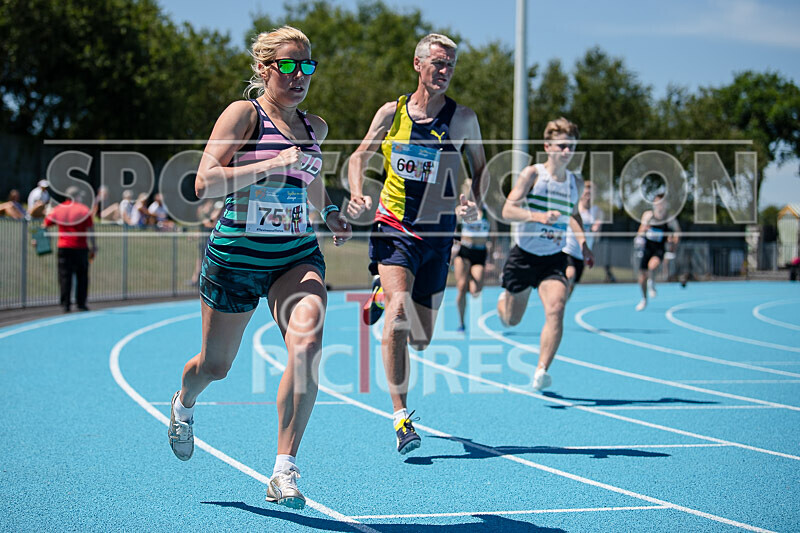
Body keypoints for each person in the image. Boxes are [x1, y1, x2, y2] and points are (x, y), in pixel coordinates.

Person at [167, 26, 350, 511]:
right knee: (215, 366)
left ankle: (283, 469)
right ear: (266, 68)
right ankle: (184, 402)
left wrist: (330, 211)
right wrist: (270, 164)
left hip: (295, 255)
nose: (298, 75)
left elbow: (310, 177)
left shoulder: (315, 128)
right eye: (287, 65)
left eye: (306, 66)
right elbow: (204, 182)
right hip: (237, 259)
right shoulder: (244, 115)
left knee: (307, 345)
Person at [347, 33, 487, 455]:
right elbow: (358, 156)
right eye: (438, 63)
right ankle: (401, 417)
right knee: (398, 314)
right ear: (418, 64)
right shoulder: (392, 113)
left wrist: (474, 202)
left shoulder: (463, 119)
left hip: (439, 234)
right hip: (395, 226)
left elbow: (481, 169)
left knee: (421, 337)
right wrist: (358, 192)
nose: (445, 71)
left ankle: (380, 291)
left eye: (450, 65)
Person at [496, 117, 593, 391]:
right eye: (562, 146)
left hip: (553, 257)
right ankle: (504, 301)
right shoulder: (533, 174)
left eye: (571, 146)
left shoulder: (575, 182)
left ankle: (541, 370)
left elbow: (574, 214)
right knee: (511, 319)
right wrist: (538, 217)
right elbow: (507, 210)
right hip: (523, 256)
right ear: (548, 146)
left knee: (557, 307)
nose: (567, 151)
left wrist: (583, 244)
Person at [42, 186, 97, 312]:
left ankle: (65, 304)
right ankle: (81, 303)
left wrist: (40, 240)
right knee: (82, 276)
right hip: (80, 247)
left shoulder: (58, 209)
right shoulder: (83, 210)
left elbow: (45, 224)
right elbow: (90, 230)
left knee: (64, 276)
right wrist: (94, 246)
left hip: (64, 247)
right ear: (76, 196)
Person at [634, 193, 680, 311]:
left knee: (652, 266)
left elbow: (677, 233)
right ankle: (644, 299)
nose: (659, 205)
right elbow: (640, 231)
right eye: (657, 202)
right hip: (647, 248)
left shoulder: (669, 218)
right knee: (642, 277)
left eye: (661, 202)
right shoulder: (648, 215)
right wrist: (642, 232)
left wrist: (673, 243)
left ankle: (652, 283)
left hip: (659, 248)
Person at [562, 180, 603, 298]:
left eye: (591, 194)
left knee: (572, 285)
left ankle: (562, 302)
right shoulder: (575, 208)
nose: (588, 197)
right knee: (570, 274)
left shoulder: (597, 211)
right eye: (586, 193)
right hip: (568, 249)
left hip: (582, 253)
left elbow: (597, 234)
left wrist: (596, 229)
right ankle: (558, 298)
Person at [454, 209, 491, 332]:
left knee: (476, 290)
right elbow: (453, 226)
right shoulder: (461, 209)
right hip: (464, 251)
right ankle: (461, 322)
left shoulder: (487, 212)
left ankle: (469, 277)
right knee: (461, 287)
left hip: (480, 252)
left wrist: (490, 257)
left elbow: (493, 234)